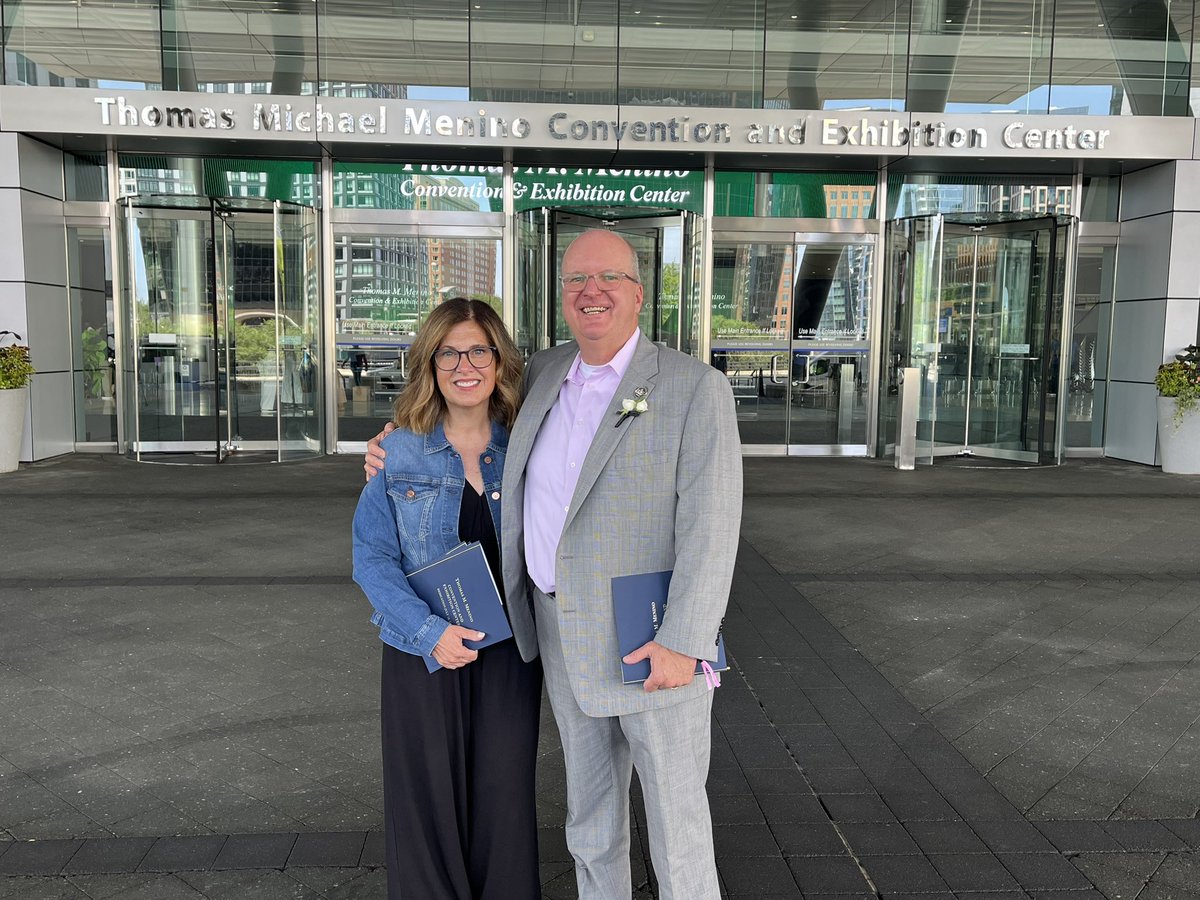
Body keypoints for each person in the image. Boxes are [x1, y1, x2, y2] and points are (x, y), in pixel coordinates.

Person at [367, 231, 743, 899]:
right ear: (562, 296)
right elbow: (467, 423)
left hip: (652, 643)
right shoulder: (542, 372)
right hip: (560, 637)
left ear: (637, 291)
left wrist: (685, 642)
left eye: (607, 278)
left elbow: (712, 527)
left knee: (676, 823)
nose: (590, 292)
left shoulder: (693, 387)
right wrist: (396, 443)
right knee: (590, 822)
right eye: (576, 280)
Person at [352, 297, 542, 900]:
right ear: (430, 364)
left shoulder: (527, 448)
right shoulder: (400, 451)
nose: (465, 364)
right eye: (449, 352)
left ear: (500, 359)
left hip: (509, 653)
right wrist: (426, 631)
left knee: (505, 794)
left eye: (478, 350)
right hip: (423, 655)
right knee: (426, 796)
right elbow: (371, 557)